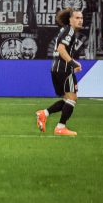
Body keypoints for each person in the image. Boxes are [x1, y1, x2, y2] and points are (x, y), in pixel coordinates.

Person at [36, 8, 87, 137]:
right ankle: (60, 127)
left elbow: (62, 51)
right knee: (72, 98)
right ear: (70, 20)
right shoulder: (69, 31)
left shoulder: (65, 30)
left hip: (56, 68)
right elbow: (61, 49)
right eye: (77, 18)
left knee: (67, 99)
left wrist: (73, 62)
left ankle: (44, 113)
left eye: (81, 18)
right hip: (63, 69)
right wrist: (72, 63)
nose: (80, 20)